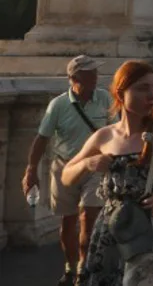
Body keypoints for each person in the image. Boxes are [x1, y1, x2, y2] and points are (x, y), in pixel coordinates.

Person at [64, 60, 153, 285]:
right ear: (121, 92)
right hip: (114, 230)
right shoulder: (105, 136)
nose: (152, 95)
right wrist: (87, 164)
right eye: (143, 88)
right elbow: (67, 175)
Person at [22, 55, 113, 286]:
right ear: (74, 78)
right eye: (90, 72)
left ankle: (84, 267)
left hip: (95, 167)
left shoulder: (104, 98)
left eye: (95, 72)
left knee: (88, 215)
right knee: (68, 220)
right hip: (65, 167)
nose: (95, 76)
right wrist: (31, 170)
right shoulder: (59, 105)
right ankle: (70, 267)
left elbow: (118, 130)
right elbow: (42, 139)